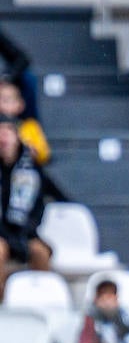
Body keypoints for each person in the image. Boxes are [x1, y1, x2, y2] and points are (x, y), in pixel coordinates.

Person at [0, 116, 56, 298]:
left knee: (40, 251)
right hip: (1, 233)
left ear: (17, 136)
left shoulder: (32, 169)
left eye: (8, 132)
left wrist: (24, 232)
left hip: (25, 231)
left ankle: (40, 300)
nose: (4, 138)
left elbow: (38, 207)